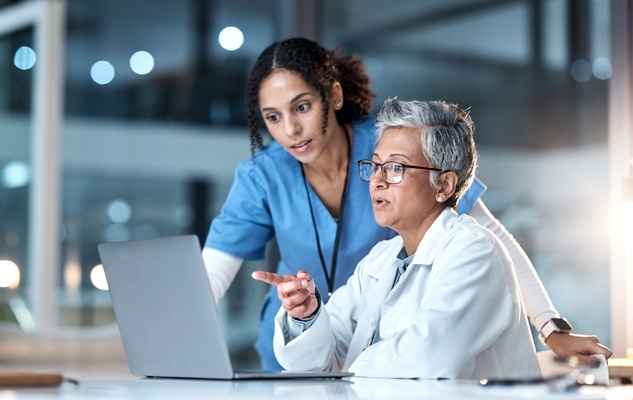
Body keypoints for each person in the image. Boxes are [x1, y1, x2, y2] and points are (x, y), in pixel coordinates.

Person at [203, 37, 612, 370]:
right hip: (320, 346)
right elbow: (208, 280)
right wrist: (304, 315)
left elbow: (493, 238)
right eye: (272, 117)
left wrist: (550, 327)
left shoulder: (391, 145)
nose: (290, 130)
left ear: (334, 96)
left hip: (383, 356)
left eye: (302, 107)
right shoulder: (266, 175)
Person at [252, 98, 541, 378]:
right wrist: (307, 316)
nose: (377, 180)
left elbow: (428, 359)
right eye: (375, 165)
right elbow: (321, 357)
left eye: (395, 168)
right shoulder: (383, 258)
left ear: (443, 185)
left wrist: (346, 370)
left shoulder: (475, 251)